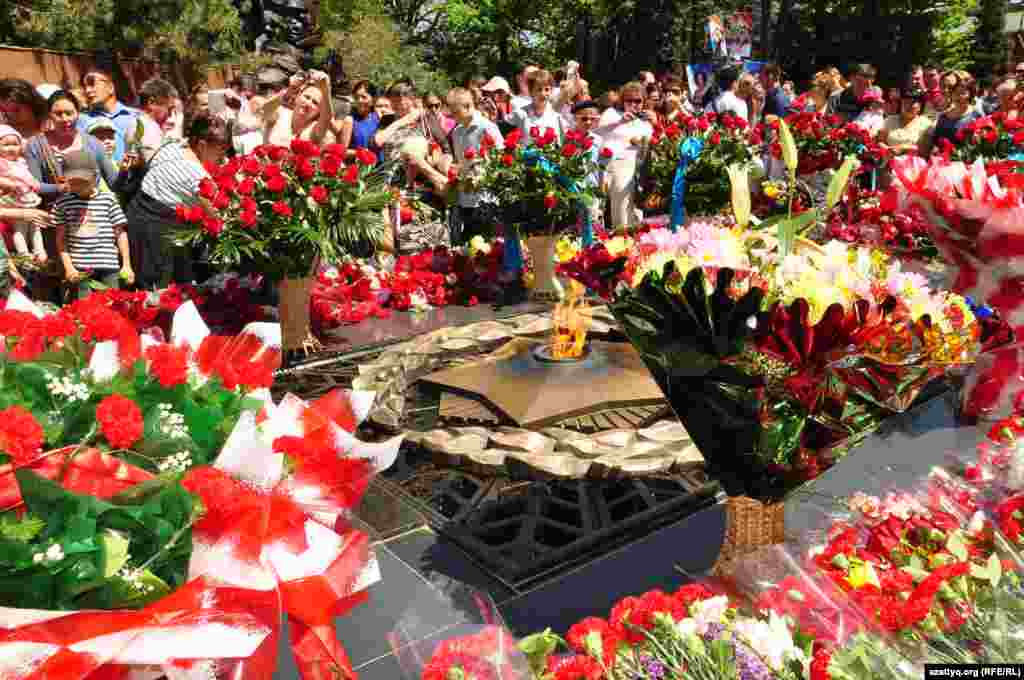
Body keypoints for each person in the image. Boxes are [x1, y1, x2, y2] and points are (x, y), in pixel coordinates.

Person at [124, 111, 231, 289]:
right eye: (220, 150)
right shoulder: (196, 175)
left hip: (139, 219)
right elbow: (217, 214)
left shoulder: (172, 146)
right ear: (202, 145)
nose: (223, 156)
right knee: (158, 293)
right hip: (155, 234)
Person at [53, 149, 133, 299]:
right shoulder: (63, 203)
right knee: (84, 308)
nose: (78, 186)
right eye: (73, 182)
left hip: (109, 266)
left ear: (95, 177)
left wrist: (127, 265)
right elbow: (60, 239)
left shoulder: (108, 200)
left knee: (112, 304)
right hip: (80, 268)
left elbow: (120, 233)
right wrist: (69, 267)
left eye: (83, 182)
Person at [25, 90, 119, 203]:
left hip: (93, 212)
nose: (65, 119)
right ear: (49, 115)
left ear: (78, 113)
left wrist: (125, 170)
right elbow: (34, 185)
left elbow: (114, 183)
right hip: (57, 214)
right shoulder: (36, 145)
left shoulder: (92, 143)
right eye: (58, 114)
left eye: (69, 113)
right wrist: (60, 188)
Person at [448, 87, 504, 245]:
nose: (453, 117)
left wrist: (482, 175)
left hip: (485, 197)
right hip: (465, 197)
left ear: (467, 106)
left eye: (455, 112)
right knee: (469, 245)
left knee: (486, 244)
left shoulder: (486, 127)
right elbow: (459, 161)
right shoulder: (456, 132)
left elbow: (500, 157)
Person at [595, 81, 652, 227]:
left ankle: (625, 239)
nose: (634, 104)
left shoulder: (644, 123)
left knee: (627, 209)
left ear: (644, 101)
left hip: (632, 168)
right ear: (623, 101)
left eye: (638, 100)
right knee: (599, 209)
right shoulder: (612, 113)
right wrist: (620, 122)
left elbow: (648, 145)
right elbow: (596, 132)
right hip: (607, 165)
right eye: (629, 100)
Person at [0, 125, 46, 266]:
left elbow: (29, 177)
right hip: (14, 200)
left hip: (26, 197)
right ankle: (24, 255)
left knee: (35, 226)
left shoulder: (21, 162)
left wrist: (33, 184)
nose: (11, 148)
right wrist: (9, 183)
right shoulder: (2, 163)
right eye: (6, 145)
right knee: (20, 227)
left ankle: (40, 251)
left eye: (15, 144)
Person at [77, 68, 140, 163]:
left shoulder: (136, 117)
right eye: (84, 87)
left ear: (110, 87)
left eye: (92, 84)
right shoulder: (82, 121)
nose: (87, 90)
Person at [260, 69, 335, 147]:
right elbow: (265, 110)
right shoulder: (281, 113)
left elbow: (327, 117)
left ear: (319, 111)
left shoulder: (315, 130)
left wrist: (326, 90)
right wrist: (289, 91)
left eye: (315, 103)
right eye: (307, 97)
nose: (308, 103)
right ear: (298, 97)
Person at [507, 69, 566, 145]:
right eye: (539, 89)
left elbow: (561, 144)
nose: (543, 93)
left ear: (551, 91)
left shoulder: (556, 118)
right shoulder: (520, 114)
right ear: (531, 92)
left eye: (547, 89)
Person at [931, 70, 981, 152]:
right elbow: (936, 144)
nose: (959, 97)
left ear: (971, 93)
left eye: (962, 92)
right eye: (955, 92)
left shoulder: (976, 115)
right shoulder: (943, 117)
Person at [131, 78, 177, 162]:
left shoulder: (145, 125)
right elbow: (162, 163)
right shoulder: (144, 127)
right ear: (151, 102)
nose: (170, 115)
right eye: (169, 109)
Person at [334, 80, 379, 163]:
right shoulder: (350, 120)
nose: (359, 101)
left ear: (373, 99)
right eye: (356, 97)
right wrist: (359, 153)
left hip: (378, 169)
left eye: (364, 97)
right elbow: (342, 152)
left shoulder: (377, 117)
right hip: (359, 170)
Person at [880, 88, 934, 157]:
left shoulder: (926, 124)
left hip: (915, 163)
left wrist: (904, 148)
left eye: (912, 103)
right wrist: (888, 150)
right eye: (905, 102)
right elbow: (880, 141)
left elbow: (926, 149)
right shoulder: (890, 120)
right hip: (889, 160)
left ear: (920, 106)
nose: (908, 106)